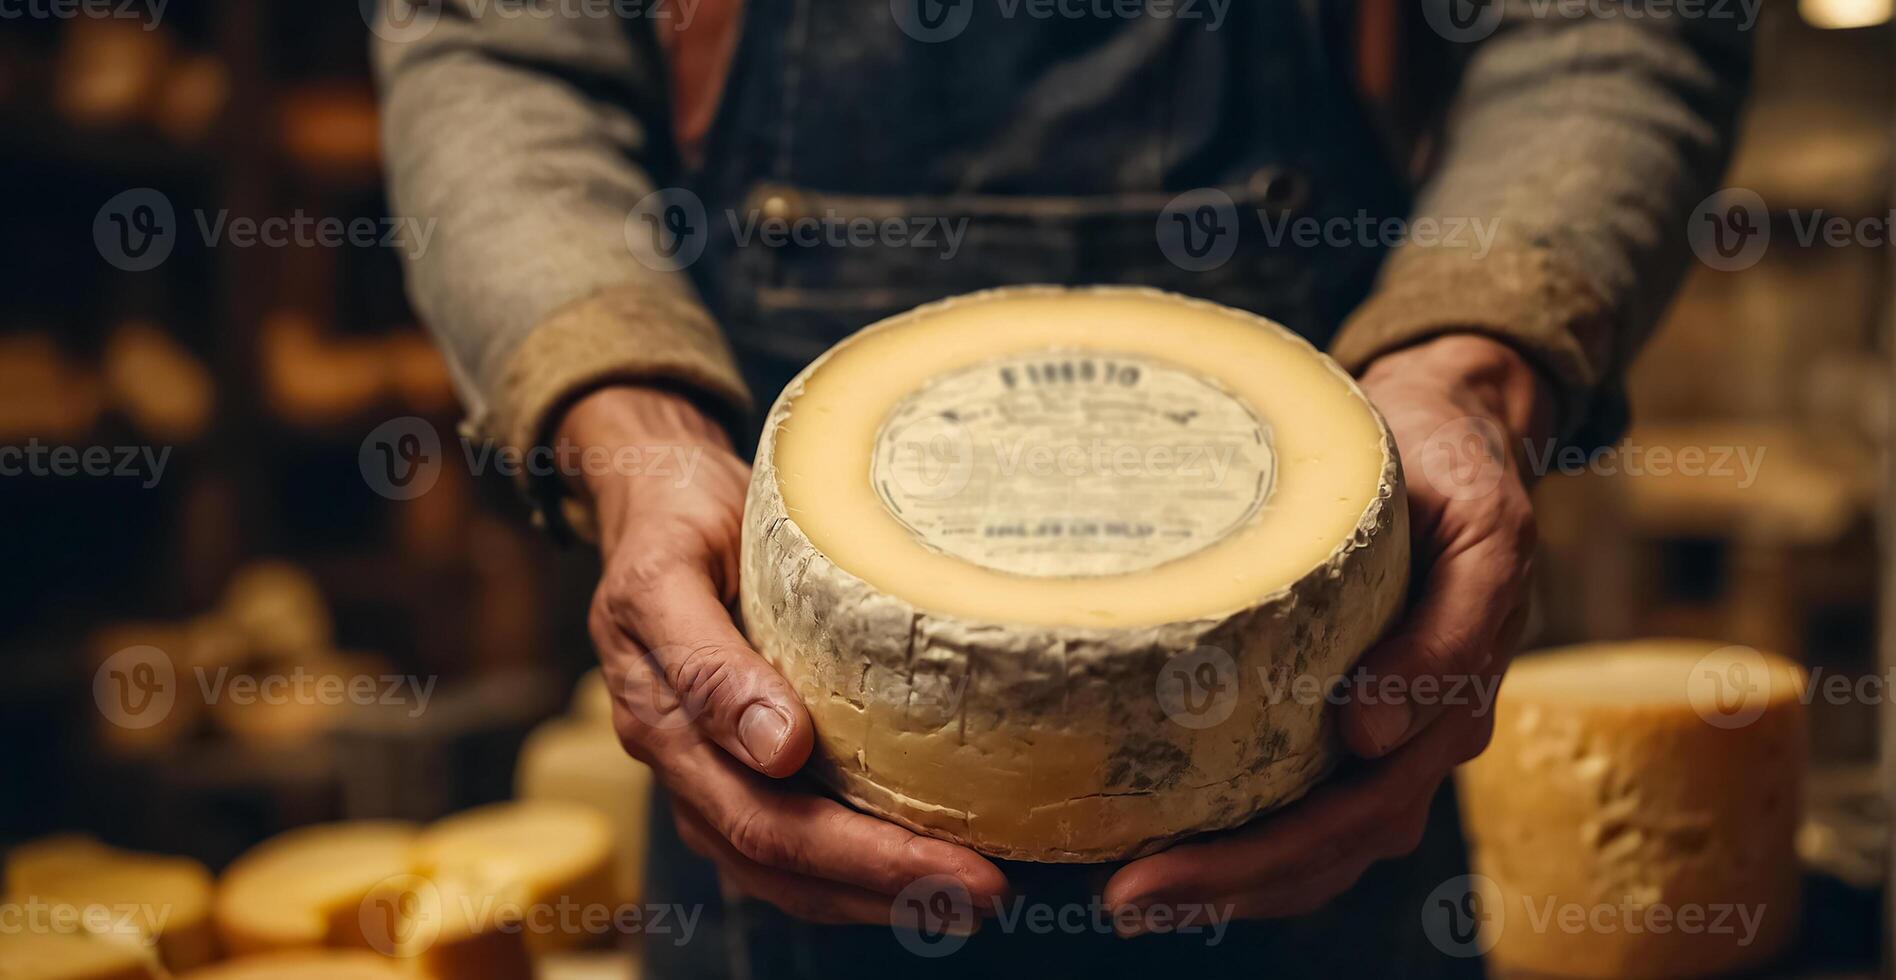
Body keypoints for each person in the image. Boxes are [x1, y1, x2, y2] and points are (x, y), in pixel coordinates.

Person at [374, 1, 1749, 975]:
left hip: (1335, 826)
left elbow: (1605, 24)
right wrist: (632, 428)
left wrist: (1475, 368)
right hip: (787, 856)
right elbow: (492, 43)